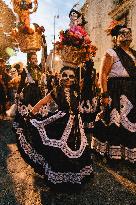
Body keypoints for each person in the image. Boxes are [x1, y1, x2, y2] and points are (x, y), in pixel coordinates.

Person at [13, 65, 94, 192]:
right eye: (65, 75)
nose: (68, 78)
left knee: (76, 148)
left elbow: (85, 82)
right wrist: (31, 115)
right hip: (60, 123)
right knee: (58, 149)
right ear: (60, 77)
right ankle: (59, 177)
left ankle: (73, 176)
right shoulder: (55, 91)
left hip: (76, 125)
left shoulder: (76, 90)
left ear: (74, 79)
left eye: (71, 76)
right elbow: (42, 103)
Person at [91, 23, 136, 165]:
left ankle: (127, 153)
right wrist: (104, 94)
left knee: (130, 122)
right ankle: (111, 153)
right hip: (115, 90)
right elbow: (103, 74)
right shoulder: (111, 52)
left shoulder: (134, 54)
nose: (126, 36)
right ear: (116, 38)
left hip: (131, 90)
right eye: (123, 33)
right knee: (114, 121)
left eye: (128, 33)